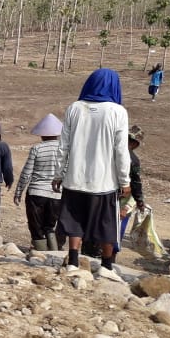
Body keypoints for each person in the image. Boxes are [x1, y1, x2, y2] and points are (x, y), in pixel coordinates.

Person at [53, 68, 130, 282]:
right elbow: (121, 150)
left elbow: (63, 146)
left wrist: (58, 174)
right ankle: (106, 265)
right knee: (107, 223)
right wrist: (125, 180)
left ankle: (73, 262)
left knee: (74, 220)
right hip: (104, 181)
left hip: (74, 179)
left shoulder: (74, 109)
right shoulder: (117, 112)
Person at [14, 113, 63, 250]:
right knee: (50, 226)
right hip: (56, 195)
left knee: (36, 227)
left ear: (42, 134)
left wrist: (18, 192)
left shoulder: (37, 149)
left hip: (36, 193)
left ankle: (41, 253)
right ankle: (53, 254)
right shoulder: (65, 150)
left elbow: (26, 173)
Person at [118, 125, 146, 242]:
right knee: (116, 235)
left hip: (102, 197)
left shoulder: (110, 152)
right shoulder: (133, 160)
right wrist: (139, 202)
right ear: (135, 143)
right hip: (122, 202)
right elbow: (135, 184)